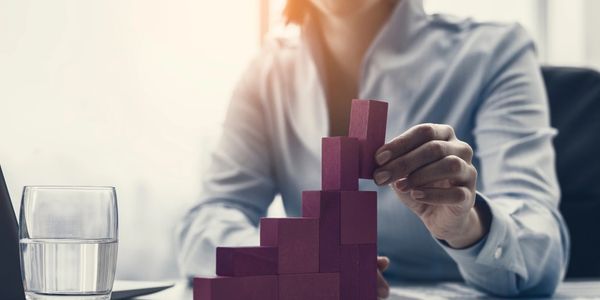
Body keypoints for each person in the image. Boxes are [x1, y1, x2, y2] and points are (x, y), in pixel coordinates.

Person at [176, 0, 569, 297]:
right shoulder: (268, 70)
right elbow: (207, 220)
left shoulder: (494, 50)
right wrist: (291, 260)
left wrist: (466, 225)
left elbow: (542, 246)